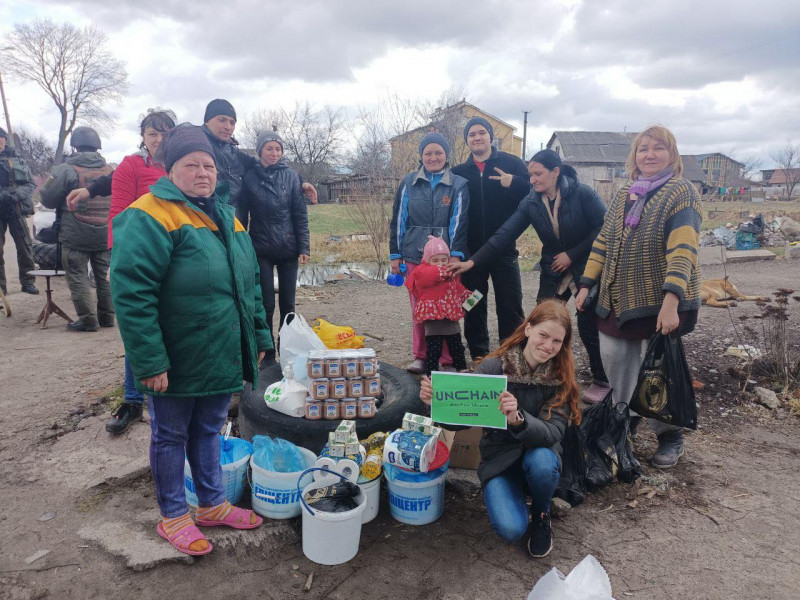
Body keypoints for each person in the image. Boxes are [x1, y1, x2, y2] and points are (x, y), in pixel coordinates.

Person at [110, 124, 272, 556]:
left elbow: (250, 284)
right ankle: (174, 515)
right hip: (177, 354)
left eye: (208, 165)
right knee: (169, 435)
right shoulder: (150, 214)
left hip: (220, 351)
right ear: (171, 169)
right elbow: (132, 293)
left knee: (208, 430)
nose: (202, 172)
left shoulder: (226, 215)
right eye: (191, 165)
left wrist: (257, 335)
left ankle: (212, 505)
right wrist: (149, 361)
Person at [575, 125, 702, 468]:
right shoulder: (624, 193)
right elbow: (603, 241)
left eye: (658, 148)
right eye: (643, 149)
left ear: (672, 155)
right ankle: (624, 424)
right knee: (617, 365)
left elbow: (683, 249)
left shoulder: (681, 192)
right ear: (634, 156)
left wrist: (672, 301)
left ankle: (670, 435)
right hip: (617, 299)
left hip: (658, 302)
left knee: (658, 373)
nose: (649, 154)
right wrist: (586, 283)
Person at [419, 299, 581, 558]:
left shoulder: (561, 377)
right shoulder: (494, 368)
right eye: (543, 335)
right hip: (499, 459)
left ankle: (541, 512)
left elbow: (553, 433)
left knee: (541, 461)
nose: (548, 346)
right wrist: (434, 404)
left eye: (557, 341)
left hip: (539, 456)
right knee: (510, 529)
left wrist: (518, 419)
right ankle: (513, 493)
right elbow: (461, 417)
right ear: (528, 329)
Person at [450, 149, 610, 403]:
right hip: (553, 268)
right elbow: (505, 234)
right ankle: (540, 371)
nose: (532, 179)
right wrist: (472, 261)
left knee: (586, 321)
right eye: (530, 174)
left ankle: (602, 379)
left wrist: (572, 254)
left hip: (586, 266)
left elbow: (605, 228)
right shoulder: (532, 201)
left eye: (538, 174)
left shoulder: (583, 193)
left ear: (555, 172)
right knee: (542, 323)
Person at [99, 109, 176, 435]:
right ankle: (132, 400)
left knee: (170, 324)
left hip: (174, 253)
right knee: (139, 325)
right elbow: (119, 214)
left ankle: (165, 393)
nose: (158, 139)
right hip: (140, 256)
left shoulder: (178, 166)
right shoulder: (132, 166)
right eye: (151, 133)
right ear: (143, 137)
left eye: (163, 133)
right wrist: (118, 260)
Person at [389, 132, 470, 374]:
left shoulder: (459, 184)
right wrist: (396, 254)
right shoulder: (409, 182)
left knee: (448, 308)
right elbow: (398, 219)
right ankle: (421, 356)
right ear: (421, 156)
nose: (433, 157)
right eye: (428, 153)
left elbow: (459, 220)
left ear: (446, 155)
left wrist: (456, 254)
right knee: (420, 309)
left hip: (446, 260)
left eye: (438, 152)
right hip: (415, 257)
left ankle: (447, 360)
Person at [451, 117, 530, 361]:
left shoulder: (512, 163)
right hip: (472, 254)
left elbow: (534, 191)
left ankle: (509, 354)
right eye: (472, 134)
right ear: (467, 141)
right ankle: (479, 354)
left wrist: (514, 182)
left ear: (490, 136)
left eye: (481, 133)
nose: (477, 137)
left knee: (510, 303)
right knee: (473, 304)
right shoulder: (458, 173)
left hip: (504, 251)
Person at [238, 130, 310, 357]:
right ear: (260, 151)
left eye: (278, 149)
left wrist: (304, 247)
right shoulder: (250, 177)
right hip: (260, 249)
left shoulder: (290, 176)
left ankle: (286, 350)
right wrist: (241, 245)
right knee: (266, 304)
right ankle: (267, 353)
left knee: (288, 305)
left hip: (288, 249)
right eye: (269, 148)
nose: (274, 153)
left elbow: (300, 214)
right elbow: (243, 215)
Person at [40, 127, 113, 332]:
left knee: (78, 276)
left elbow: (48, 199)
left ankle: (88, 320)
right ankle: (107, 317)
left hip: (75, 235)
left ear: (75, 145)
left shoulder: (65, 169)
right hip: (104, 233)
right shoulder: (108, 170)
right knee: (104, 276)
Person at [202, 99, 317, 208]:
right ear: (207, 120)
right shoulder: (195, 148)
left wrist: (301, 182)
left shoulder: (236, 155)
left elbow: (269, 166)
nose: (228, 127)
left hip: (233, 222)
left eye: (232, 122)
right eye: (221, 120)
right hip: (203, 221)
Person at [404, 235, 472, 375]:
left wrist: (471, 299)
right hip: (432, 318)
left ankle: (461, 367)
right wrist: (448, 269)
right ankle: (431, 371)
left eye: (444, 260)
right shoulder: (422, 271)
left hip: (451, 317)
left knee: (456, 345)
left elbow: (459, 289)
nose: (440, 263)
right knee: (433, 348)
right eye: (435, 260)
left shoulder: (451, 275)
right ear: (427, 260)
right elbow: (428, 275)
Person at [0, 127, 38, 296]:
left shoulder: (17, 160)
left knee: (25, 246)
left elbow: (30, 184)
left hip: (15, 207)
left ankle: (28, 281)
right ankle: (1, 288)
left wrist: (17, 194)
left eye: (0, 138)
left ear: (4, 140)